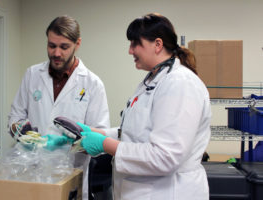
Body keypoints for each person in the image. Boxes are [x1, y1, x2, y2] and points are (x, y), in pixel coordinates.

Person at [74, 13, 212, 200]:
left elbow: (165, 156)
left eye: (135, 43)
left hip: (169, 191)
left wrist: (104, 144)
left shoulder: (180, 84)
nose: (130, 51)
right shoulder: (153, 80)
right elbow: (135, 133)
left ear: (157, 44)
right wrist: (97, 132)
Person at [8, 15, 110, 200]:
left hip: (70, 174)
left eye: (64, 47)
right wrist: (21, 131)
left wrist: (69, 142)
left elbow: (100, 137)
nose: (56, 53)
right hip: (31, 173)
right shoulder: (32, 74)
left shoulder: (92, 83)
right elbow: (15, 118)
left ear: (77, 44)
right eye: (51, 45)